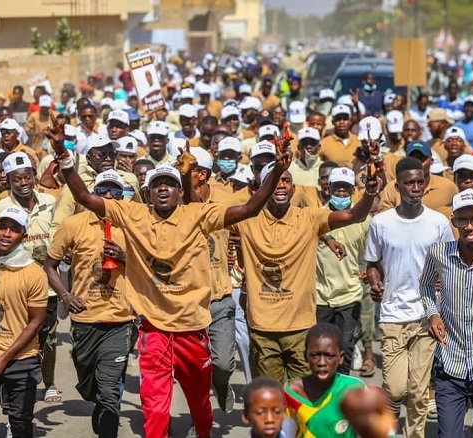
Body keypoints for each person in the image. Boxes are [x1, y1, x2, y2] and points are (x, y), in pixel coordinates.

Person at [45, 118, 294, 438]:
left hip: (193, 329)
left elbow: (249, 209)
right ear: (148, 192)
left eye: (170, 183)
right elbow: (84, 195)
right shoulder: (133, 214)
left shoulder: (199, 215)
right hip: (154, 331)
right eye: (157, 184)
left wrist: (275, 173)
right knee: (155, 408)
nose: (164, 188)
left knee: (200, 408)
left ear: (179, 191)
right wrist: (64, 157)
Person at [228, 159, 382, 383]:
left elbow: (353, 216)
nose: (280, 185)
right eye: (273, 181)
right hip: (262, 330)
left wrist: (368, 192)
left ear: (294, 188)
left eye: (286, 180)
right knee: (274, 401)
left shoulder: (308, 218)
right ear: (261, 188)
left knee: (304, 401)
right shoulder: (246, 221)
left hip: (301, 329)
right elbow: (198, 212)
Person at [365, 157, 454, 438]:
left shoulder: (438, 222)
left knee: (417, 392)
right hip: (392, 315)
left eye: (420, 182)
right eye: (409, 183)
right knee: (395, 388)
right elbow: (371, 264)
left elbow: (450, 263)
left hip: (426, 316)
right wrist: (375, 282)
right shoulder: (381, 223)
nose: (415, 187)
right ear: (398, 185)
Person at [44, 170, 132, 437]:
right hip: (84, 318)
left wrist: (125, 257)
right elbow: (50, 264)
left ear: (122, 196)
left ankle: (107, 412)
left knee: (109, 389)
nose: (108, 196)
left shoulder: (132, 224)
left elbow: (152, 266)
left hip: (121, 319)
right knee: (89, 384)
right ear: (92, 194)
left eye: (115, 191)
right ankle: (100, 402)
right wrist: (66, 296)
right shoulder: (73, 224)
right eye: (102, 190)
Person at [421, 189, 473, 437]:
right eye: (462, 220)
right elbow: (424, 285)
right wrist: (432, 313)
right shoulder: (438, 253)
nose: (469, 226)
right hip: (450, 365)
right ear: (453, 222)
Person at [0, 152, 60, 405]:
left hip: (48, 285)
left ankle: (48, 382)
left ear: (34, 176)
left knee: (47, 339)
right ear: (7, 181)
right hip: (13, 288)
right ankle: (13, 397)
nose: (23, 183)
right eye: (17, 179)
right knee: (14, 339)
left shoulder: (50, 202)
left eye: (27, 177)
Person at [0, 206, 47, 437]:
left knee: (21, 421)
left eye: (14, 229)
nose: (6, 233)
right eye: (2, 227)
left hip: (21, 359)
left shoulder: (34, 273)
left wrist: (4, 358)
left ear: (24, 235)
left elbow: (36, 322)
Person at [315, 168, 370, 375]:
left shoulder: (365, 219)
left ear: (353, 190)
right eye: (336, 187)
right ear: (328, 188)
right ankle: (322, 395)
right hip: (320, 295)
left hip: (349, 294)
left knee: (344, 348)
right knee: (321, 350)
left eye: (345, 188)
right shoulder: (317, 216)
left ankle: (342, 396)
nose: (340, 191)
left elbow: (370, 254)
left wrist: (366, 271)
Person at [284, 323, 366, 437]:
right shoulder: (292, 392)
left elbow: (378, 430)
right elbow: (285, 433)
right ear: (305, 356)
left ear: (341, 357)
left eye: (329, 356)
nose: (322, 363)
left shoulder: (354, 389)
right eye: (315, 355)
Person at [378, 140, 457, 212]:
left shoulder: (448, 187)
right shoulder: (393, 187)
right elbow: (383, 218)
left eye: (422, 158)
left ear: (431, 161)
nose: (417, 163)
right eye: (413, 159)